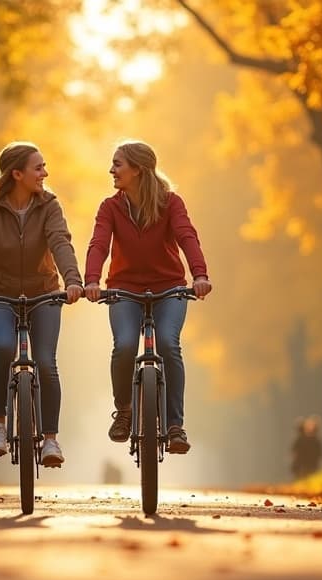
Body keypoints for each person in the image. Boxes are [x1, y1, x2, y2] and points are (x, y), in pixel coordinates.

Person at [0, 141, 84, 468]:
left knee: (45, 361)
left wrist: (72, 280)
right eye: (38, 167)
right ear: (17, 174)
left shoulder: (49, 206)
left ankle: (51, 440)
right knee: (2, 347)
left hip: (43, 291)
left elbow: (60, 242)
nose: (45, 173)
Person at [84, 140, 212, 453]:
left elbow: (186, 236)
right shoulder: (110, 207)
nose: (112, 170)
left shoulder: (171, 203)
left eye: (118, 164)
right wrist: (91, 280)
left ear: (138, 170)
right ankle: (125, 411)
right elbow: (99, 244)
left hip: (169, 288)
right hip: (124, 289)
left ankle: (175, 426)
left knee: (169, 344)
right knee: (125, 345)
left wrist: (200, 275)